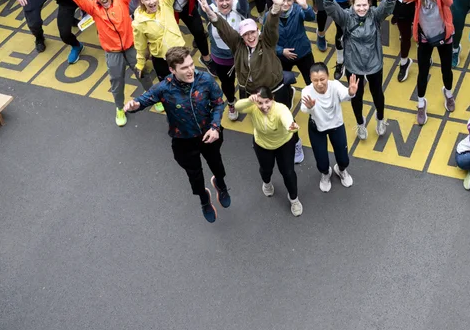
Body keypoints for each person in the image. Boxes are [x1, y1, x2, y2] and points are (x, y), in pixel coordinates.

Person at [125, 47, 230, 223]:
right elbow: (143, 100)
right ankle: (204, 200)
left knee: (216, 164)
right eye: (184, 68)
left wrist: (215, 127)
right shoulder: (164, 88)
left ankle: (221, 184)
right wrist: (134, 106)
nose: (190, 71)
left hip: (209, 135)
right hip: (183, 141)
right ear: (172, 70)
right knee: (194, 175)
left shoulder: (205, 80)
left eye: (191, 65)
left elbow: (218, 103)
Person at [56, 0, 153, 126]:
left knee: (142, 73)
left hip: (131, 47)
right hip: (112, 53)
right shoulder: (93, 8)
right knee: (116, 81)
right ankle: (119, 108)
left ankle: (153, 97)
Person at [318, 0, 398, 139]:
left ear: (369, 4)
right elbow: (334, 10)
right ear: (352, 5)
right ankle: (360, 123)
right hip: (354, 65)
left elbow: (386, 9)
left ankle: (380, 118)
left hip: (374, 63)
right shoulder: (346, 18)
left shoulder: (374, 15)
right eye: (358, 5)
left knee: (378, 94)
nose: (362, 8)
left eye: (364, 5)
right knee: (356, 96)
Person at [235, 88, 303, 216]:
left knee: (288, 173)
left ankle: (294, 199)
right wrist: (249, 100)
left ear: (273, 99)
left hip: (284, 143)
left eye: (267, 102)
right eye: (260, 103)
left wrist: (291, 126)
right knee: (266, 169)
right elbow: (238, 106)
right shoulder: (253, 107)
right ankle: (267, 183)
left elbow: (287, 119)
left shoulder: (281, 109)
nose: (264, 106)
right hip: (262, 144)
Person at [404, 0, 455, 124]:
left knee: (446, 70)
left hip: (444, 37)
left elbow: (449, 1)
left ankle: (448, 93)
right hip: (425, 38)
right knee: (422, 72)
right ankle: (421, 103)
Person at [300, 63, 357, 193]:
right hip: (317, 128)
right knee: (321, 160)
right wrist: (310, 107)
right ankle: (325, 174)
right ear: (310, 79)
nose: (319, 83)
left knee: (343, 158)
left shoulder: (335, 85)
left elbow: (344, 95)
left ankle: (341, 170)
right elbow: (304, 109)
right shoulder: (306, 91)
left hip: (336, 125)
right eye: (315, 80)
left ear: (328, 77)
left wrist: (350, 92)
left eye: (322, 79)